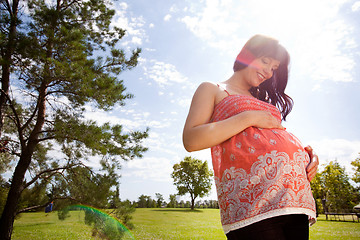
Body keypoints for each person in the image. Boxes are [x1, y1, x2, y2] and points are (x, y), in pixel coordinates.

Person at [182, 34, 319, 240]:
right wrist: (249, 117)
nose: (268, 71)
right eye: (265, 61)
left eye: (273, 68)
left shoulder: (263, 101)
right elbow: (191, 140)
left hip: (293, 198)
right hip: (253, 203)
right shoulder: (212, 89)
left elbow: (276, 137)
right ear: (246, 55)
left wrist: (307, 155)